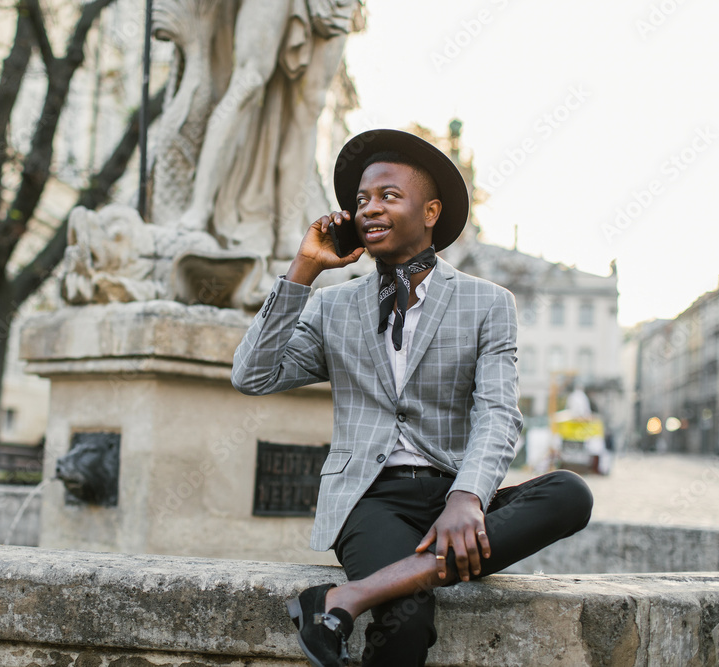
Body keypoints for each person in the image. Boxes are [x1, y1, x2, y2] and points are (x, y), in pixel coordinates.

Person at [231, 129, 594, 666]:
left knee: (570, 493)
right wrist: (303, 271)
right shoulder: (333, 308)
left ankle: (344, 599)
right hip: (369, 499)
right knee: (407, 620)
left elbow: (497, 412)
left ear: (430, 212)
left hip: (453, 491)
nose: (369, 209)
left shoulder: (488, 303)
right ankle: (378, 589)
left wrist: (467, 497)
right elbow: (252, 375)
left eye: (388, 196)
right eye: (360, 201)